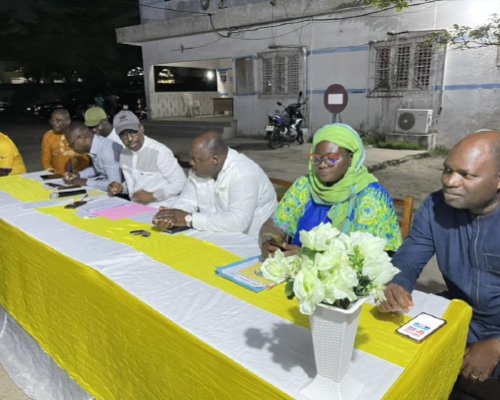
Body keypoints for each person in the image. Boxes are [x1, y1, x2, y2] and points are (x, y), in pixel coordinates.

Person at [378, 131, 500, 400]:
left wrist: (496, 346)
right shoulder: (435, 206)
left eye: (466, 175)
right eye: (447, 170)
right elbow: (409, 257)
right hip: (459, 314)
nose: (450, 182)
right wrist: (397, 283)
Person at [259, 123, 402, 257]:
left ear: (352, 158)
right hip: (296, 272)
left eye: (331, 158)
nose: (322, 165)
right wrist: (270, 240)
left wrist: (310, 258)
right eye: (316, 158)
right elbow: (274, 225)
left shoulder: (370, 197)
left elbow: (371, 259)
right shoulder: (305, 186)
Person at [152, 131, 277, 234]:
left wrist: (189, 219)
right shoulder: (199, 171)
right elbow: (187, 200)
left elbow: (238, 222)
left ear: (215, 159)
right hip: (216, 235)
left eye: (195, 159)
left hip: (253, 243)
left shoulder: (243, 174)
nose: (191, 163)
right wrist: (171, 216)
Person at [107, 110, 186, 207]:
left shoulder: (160, 152)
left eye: (133, 133)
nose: (130, 139)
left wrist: (153, 195)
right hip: (135, 208)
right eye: (123, 136)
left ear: (141, 128)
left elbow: (181, 183)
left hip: (162, 208)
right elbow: (134, 184)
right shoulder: (124, 154)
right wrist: (121, 187)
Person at [63, 124, 122, 191]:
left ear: (82, 137)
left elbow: (115, 185)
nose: (72, 148)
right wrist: (78, 175)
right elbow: (99, 168)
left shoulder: (106, 150)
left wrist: (84, 182)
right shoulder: (95, 146)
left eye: (72, 144)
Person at [40, 109, 89, 174]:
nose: (54, 123)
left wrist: (77, 172)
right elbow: (46, 160)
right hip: (56, 175)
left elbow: (85, 158)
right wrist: (51, 172)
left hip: (79, 174)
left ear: (68, 121)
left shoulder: (77, 134)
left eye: (58, 120)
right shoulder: (48, 136)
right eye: (52, 120)